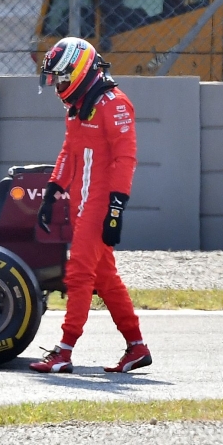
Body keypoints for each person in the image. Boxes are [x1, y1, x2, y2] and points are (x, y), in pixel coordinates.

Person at [31, 37, 152, 374]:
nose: (59, 86)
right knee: (106, 278)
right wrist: (52, 189)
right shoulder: (78, 105)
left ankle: (64, 351)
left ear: (80, 69)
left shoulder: (115, 104)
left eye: (62, 78)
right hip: (81, 203)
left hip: (100, 204)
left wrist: (116, 208)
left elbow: (126, 159)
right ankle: (138, 347)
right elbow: (69, 151)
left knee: (80, 272)